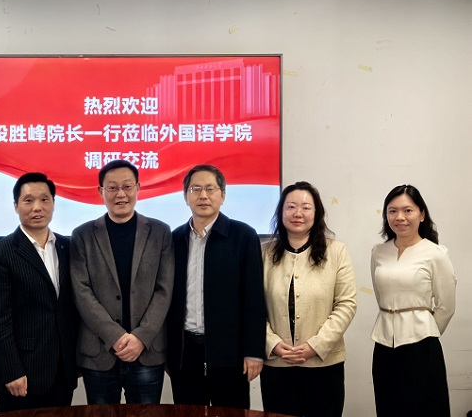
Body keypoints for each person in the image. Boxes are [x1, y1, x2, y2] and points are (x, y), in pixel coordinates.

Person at [70, 159, 174, 404]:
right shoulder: (82, 235)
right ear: (101, 191)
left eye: (127, 186)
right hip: (99, 353)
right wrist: (115, 336)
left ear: (138, 188)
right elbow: (81, 292)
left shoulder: (160, 232)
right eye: (112, 188)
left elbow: (164, 290)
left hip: (146, 351)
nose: (121, 194)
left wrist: (140, 337)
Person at [167, 164, 266, 409]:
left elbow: (254, 298)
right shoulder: (175, 239)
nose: (203, 195)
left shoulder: (243, 236)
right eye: (195, 189)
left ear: (222, 195)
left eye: (210, 189)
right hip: (185, 353)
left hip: (230, 354)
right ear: (185, 196)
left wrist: (253, 351)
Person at [0, 172, 78, 411]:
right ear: (16, 206)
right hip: (23, 372)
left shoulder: (68, 246)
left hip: (62, 369)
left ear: (53, 203)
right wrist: (11, 370)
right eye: (28, 200)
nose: (37, 207)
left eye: (44, 199)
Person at [260, 181, 357, 417]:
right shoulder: (263, 252)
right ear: (281, 212)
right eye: (291, 207)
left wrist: (316, 345)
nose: (298, 213)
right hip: (277, 365)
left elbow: (346, 304)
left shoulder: (336, 251)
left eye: (306, 207)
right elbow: (252, 307)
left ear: (317, 212)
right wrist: (272, 343)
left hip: (324, 364)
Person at [371, 184, 456, 417]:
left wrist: (425, 329)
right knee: (388, 407)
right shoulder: (379, 252)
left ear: (422, 214)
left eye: (407, 210)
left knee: (425, 408)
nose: (400, 217)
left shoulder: (435, 253)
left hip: (422, 346)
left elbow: (446, 306)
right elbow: (380, 296)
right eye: (392, 211)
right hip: (384, 343)